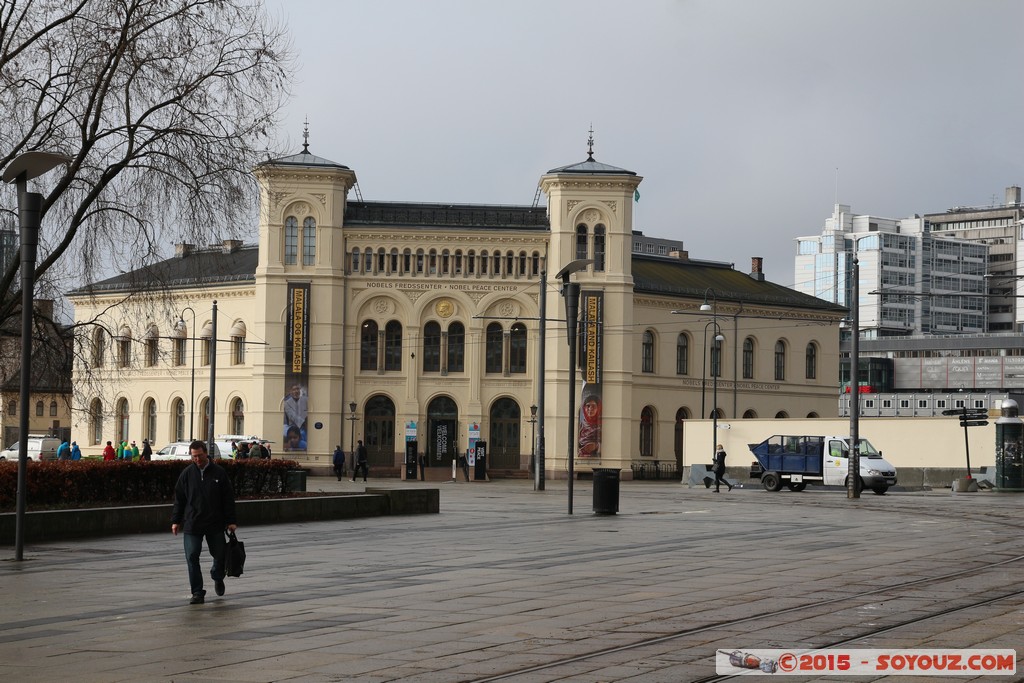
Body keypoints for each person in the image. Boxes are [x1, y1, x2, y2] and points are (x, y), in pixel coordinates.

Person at [170, 440, 237, 605]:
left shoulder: (219, 473)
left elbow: (228, 498)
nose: (197, 459)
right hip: (193, 522)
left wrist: (231, 520)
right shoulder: (187, 474)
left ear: (206, 453)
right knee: (192, 556)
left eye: (200, 456)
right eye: (194, 457)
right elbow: (179, 499)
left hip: (214, 522)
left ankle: (217, 576)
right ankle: (197, 592)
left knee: (219, 555)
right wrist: (176, 521)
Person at [578, 387, 602, 457]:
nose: (590, 409)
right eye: (588, 406)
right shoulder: (581, 425)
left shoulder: (601, 426)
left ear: (598, 408)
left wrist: (596, 446)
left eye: (593, 406)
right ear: (584, 408)